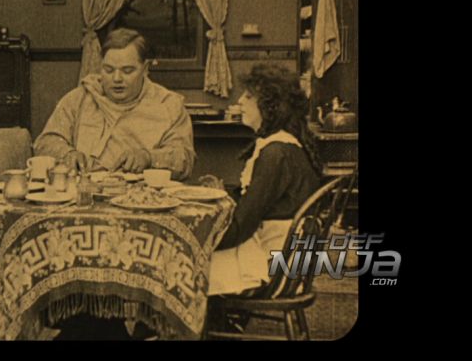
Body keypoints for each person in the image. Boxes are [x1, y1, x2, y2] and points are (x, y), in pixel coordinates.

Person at [205, 63, 322, 298]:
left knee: (184, 267)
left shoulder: (276, 153)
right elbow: (254, 203)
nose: (240, 101)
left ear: (271, 106)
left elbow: (241, 227)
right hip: (282, 259)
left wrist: (201, 240)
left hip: (274, 270)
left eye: (249, 96)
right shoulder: (280, 145)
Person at [34, 28, 195, 180]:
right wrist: (67, 154)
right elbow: (45, 142)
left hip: (142, 195)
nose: (117, 79)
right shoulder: (79, 99)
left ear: (145, 69)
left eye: (127, 71)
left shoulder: (169, 105)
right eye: (109, 70)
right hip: (84, 192)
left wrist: (149, 157)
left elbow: (184, 159)